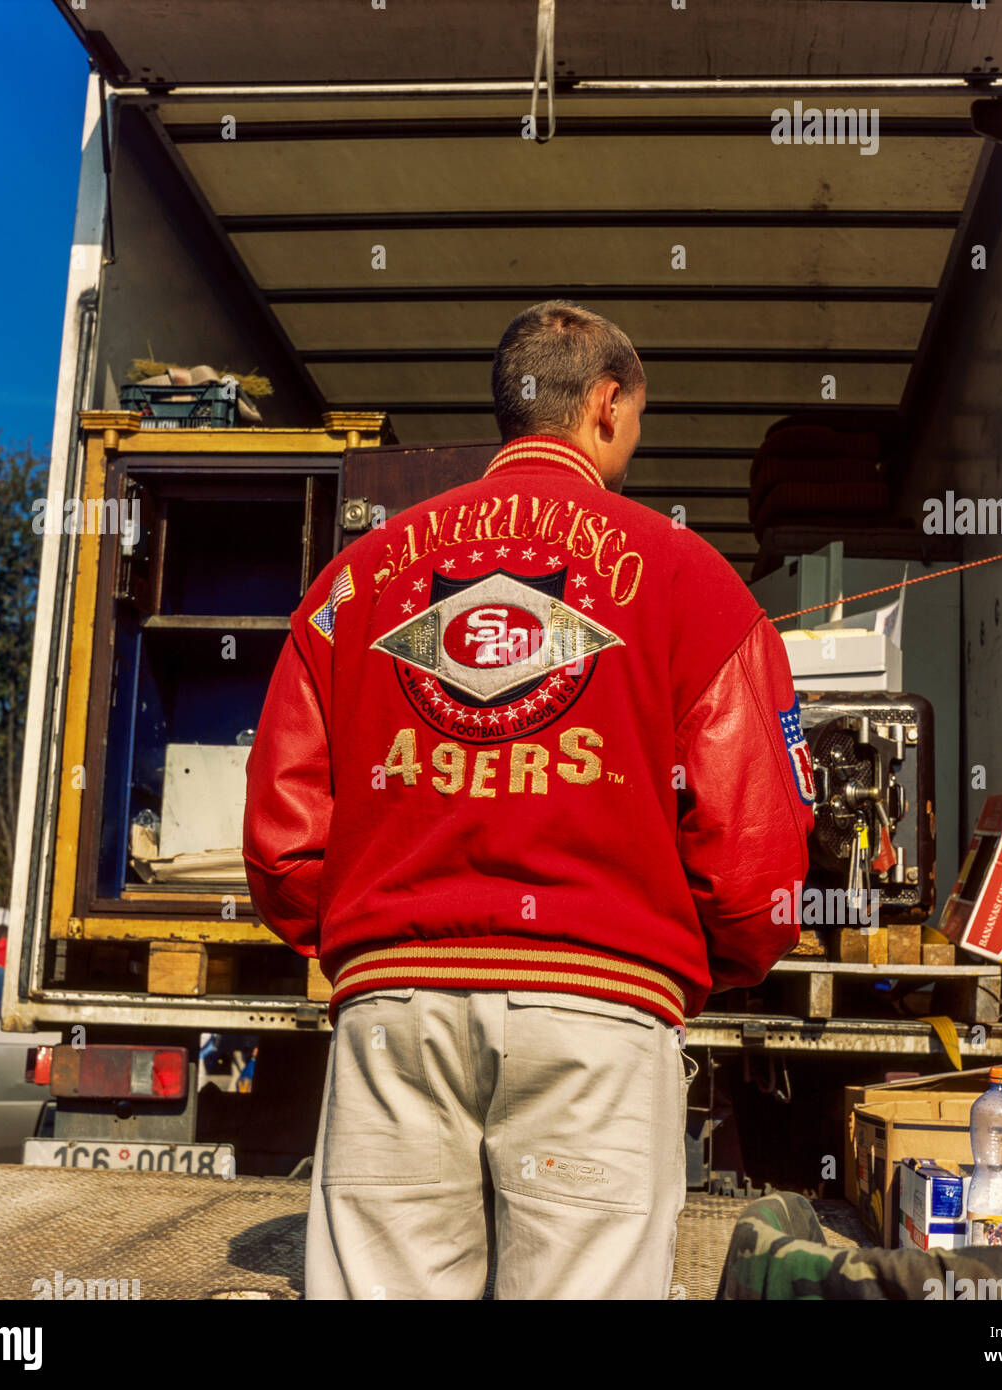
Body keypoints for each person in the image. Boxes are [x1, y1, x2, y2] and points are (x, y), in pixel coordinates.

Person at [244, 300, 815, 1300]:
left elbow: (285, 839)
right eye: (636, 415)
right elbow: (755, 858)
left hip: (391, 1015)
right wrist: (704, 964)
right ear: (606, 403)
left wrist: (358, 935)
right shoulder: (697, 582)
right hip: (602, 1017)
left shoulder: (351, 584)